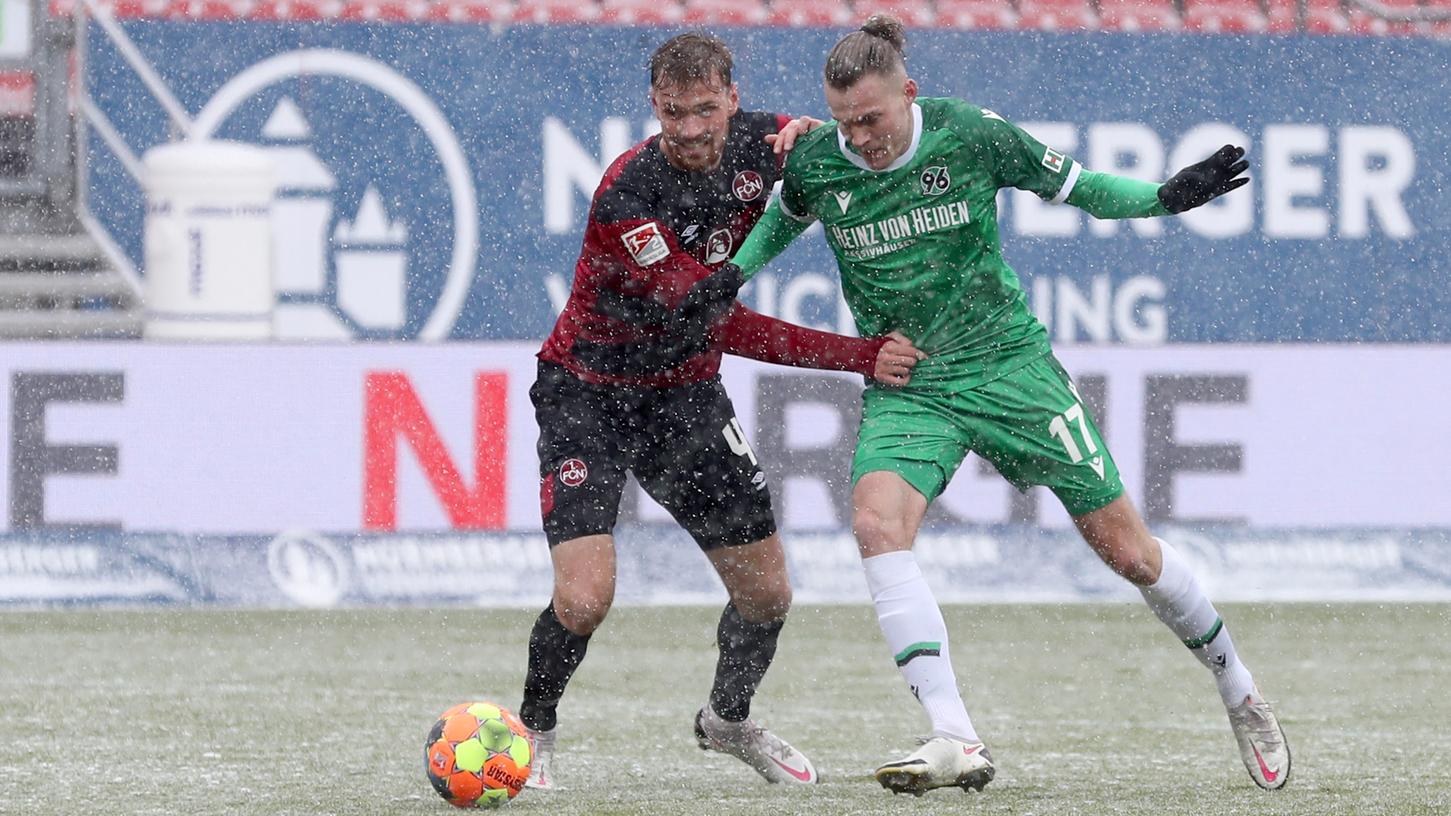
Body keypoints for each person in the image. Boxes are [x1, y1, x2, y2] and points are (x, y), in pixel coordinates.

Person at [730, 15, 1291, 796]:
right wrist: (724, 280)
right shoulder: (819, 161)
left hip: (1009, 369)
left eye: (871, 119)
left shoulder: (970, 134)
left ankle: (1240, 690)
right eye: (844, 121)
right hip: (911, 383)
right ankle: (954, 735)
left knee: (1130, 553)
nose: (858, 138)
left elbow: (1086, 189)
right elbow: (776, 224)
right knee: (874, 524)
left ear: (908, 95)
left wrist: (1164, 198)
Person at [519, 31, 927, 790]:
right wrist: (859, 354)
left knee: (768, 593)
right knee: (584, 599)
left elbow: (862, 149)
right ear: (654, 107)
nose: (691, 129)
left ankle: (726, 721)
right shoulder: (626, 197)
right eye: (674, 112)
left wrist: (823, 138)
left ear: (731, 101)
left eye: (706, 109)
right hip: (590, 396)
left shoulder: (770, 142)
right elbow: (714, 318)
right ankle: (532, 731)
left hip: (685, 399)